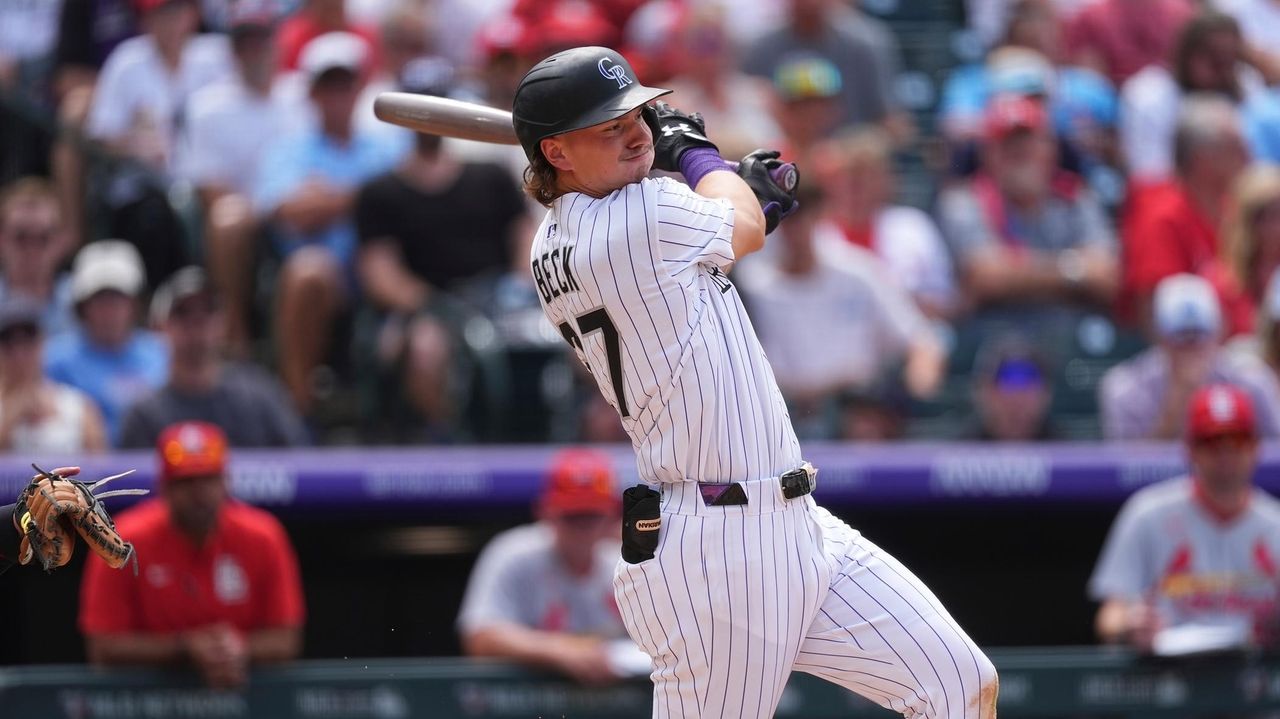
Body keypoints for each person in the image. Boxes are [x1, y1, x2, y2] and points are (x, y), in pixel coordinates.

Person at [513, 46, 997, 718]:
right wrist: (696, 152)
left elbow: (732, 226)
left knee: (957, 684)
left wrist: (740, 192)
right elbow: (740, 224)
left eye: (637, 113)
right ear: (558, 153)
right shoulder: (638, 215)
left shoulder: (558, 239)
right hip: (715, 547)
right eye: (607, 125)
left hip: (790, 519)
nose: (635, 130)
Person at [354, 57, 525, 435]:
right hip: (429, 306)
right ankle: (446, 439)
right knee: (426, 350)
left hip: (496, 297)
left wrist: (520, 284)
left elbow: (524, 234)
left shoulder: (490, 175)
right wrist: (434, 305)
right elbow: (380, 272)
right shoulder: (381, 191)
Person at [79, 421, 305, 688]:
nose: (199, 493)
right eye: (186, 482)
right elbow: (103, 647)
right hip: (150, 701)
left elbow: (286, 638)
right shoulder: (122, 541)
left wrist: (239, 649)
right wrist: (184, 648)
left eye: (208, 479)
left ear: (225, 481)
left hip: (242, 695)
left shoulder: (263, 535)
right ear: (165, 487)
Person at [254, 31, 403, 413]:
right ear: (312, 93)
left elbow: (408, 205)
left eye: (345, 84)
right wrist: (359, 197)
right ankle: (296, 408)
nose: (337, 95)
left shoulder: (389, 146)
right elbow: (288, 212)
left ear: (360, 88)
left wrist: (328, 198)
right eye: (328, 85)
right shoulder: (288, 149)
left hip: (381, 268)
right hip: (321, 278)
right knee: (311, 270)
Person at [736, 184, 945, 437]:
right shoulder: (750, 283)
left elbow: (922, 340)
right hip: (780, 415)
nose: (793, 227)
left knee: (868, 424)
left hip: (857, 412)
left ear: (819, 215)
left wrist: (916, 395)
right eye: (783, 218)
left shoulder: (858, 270)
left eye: (801, 215)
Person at [1090, 384, 1280, 651]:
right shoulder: (1147, 512)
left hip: (1255, 677)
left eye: (1237, 440)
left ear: (1256, 447)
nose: (1225, 454)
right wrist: (1130, 625)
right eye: (1211, 442)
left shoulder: (1275, 524)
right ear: (1189, 449)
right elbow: (1109, 617)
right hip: (1168, 676)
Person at [181, 2, 306, 354]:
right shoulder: (207, 107)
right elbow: (211, 191)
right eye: (244, 42)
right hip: (253, 219)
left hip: (305, 215)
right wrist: (272, 207)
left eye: (261, 39)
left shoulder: (303, 94)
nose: (254, 51)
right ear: (232, 49)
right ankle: (233, 336)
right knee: (227, 220)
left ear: (277, 41)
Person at [936, 94, 1118, 333]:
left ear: (1051, 149)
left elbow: (1106, 277)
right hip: (991, 338)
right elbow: (986, 277)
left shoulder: (1076, 197)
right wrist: (1074, 268)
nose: (1021, 156)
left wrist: (1015, 271)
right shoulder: (964, 201)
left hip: (1070, 335)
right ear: (988, 154)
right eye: (1010, 148)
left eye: (1028, 145)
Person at [458, 448, 634, 685]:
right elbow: (479, 638)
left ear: (612, 515)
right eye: (572, 515)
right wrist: (559, 650)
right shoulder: (513, 554)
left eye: (591, 515)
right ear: (545, 511)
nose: (582, 528)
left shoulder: (624, 564)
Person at [118, 267, 309, 448]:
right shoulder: (144, 416)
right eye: (182, 312)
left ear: (223, 322)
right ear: (159, 327)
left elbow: (303, 466)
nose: (197, 322)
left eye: (208, 310)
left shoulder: (260, 398)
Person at [1120, 95, 1251, 334]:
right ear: (1202, 158)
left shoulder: (1234, 206)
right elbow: (1152, 314)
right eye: (1235, 147)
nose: (1247, 155)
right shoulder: (1161, 215)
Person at [1101, 273, 1280, 441]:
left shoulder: (1252, 383)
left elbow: (1275, 456)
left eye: (1200, 335)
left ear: (1220, 331)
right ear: (1159, 336)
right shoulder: (1126, 388)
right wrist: (1176, 404)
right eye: (1180, 337)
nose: (1191, 349)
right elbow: (1126, 466)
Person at [813, 127, 959, 318]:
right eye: (849, 175)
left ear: (886, 179)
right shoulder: (817, 235)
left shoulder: (912, 226)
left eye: (868, 174)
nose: (857, 185)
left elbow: (946, 300)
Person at [44, 240, 168, 445]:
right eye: (100, 298)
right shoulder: (54, 360)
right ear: (82, 306)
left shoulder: (162, 353)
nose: (110, 310)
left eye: (118, 297)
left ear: (134, 303)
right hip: (82, 472)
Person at [0, 298, 107, 452]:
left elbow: (102, 468)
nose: (19, 354)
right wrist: (10, 419)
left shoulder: (77, 407)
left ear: (42, 343)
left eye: (28, 341)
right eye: (9, 343)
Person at [0, 178, 77, 338]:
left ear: (60, 242)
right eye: (21, 236)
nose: (31, 248)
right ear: (2, 239)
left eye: (42, 238)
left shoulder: (82, 301)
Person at [968, 336, 1058, 441]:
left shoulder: (1069, 451)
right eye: (1007, 385)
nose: (1017, 396)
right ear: (985, 391)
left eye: (1027, 386)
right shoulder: (956, 450)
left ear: (1046, 393)